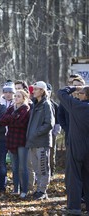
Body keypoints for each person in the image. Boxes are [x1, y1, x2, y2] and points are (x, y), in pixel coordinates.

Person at [57, 86, 89, 215]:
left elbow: (61, 93)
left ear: (86, 96)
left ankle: (74, 208)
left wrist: (74, 87)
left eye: (81, 93)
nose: (78, 95)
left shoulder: (76, 106)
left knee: (73, 177)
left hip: (76, 147)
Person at [26, 81, 55, 200]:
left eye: (36, 89)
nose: (33, 91)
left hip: (42, 142)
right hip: (33, 142)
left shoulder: (46, 104)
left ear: (42, 91)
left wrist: (36, 133)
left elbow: (49, 124)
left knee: (43, 167)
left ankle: (42, 191)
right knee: (37, 168)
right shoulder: (34, 104)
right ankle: (39, 189)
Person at [0, 90, 31, 198]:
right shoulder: (11, 108)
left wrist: (11, 119)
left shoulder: (26, 109)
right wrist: (13, 117)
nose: (16, 98)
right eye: (15, 96)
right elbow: (2, 120)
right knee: (14, 167)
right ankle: (15, 188)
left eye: (18, 96)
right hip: (11, 140)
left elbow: (21, 123)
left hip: (22, 140)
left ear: (23, 98)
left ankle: (24, 190)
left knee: (23, 167)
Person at [46, 83, 61, 177]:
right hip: (42, 135)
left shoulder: (54, 105)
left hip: (52, 134)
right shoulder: (37, 103)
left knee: (51, 154)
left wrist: (55, 133)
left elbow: (58, 121)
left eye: (48, 91)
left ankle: (51, 172)